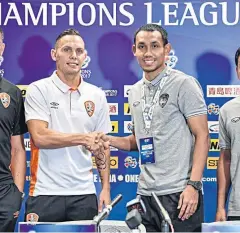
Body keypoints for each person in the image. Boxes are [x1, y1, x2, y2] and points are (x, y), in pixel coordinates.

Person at [100, 23, 209, 232]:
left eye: (155, 46)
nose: (148, 53)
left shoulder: (184, 84)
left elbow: (202, 135)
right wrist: (109, 140)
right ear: (134, 51)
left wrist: (193, 186)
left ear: (166, 50)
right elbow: (137, 141)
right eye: (141, 47)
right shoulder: (134, 92)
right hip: (145, 195)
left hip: (179, 194)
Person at [24, 28, 111, 222]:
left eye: (79, 51)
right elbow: (40, 137)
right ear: (54, 54)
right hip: (45, 193)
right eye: (67, 49)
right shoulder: (38, 89)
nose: (73, 56)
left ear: (85, 56)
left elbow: (102, 146)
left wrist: (105, 188)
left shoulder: (97, 95)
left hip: (84, 194)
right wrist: (83, 138)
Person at [0, 27, 27, 231]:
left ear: (2, 48)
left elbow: (17, 147)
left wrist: (16, 193)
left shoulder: (12, 92)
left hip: (3, 190)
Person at [216, 48, 240, 221]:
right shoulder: (227, 110)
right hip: (237, 209)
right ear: (237, 71)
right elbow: (226, 159)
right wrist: (220, 207)